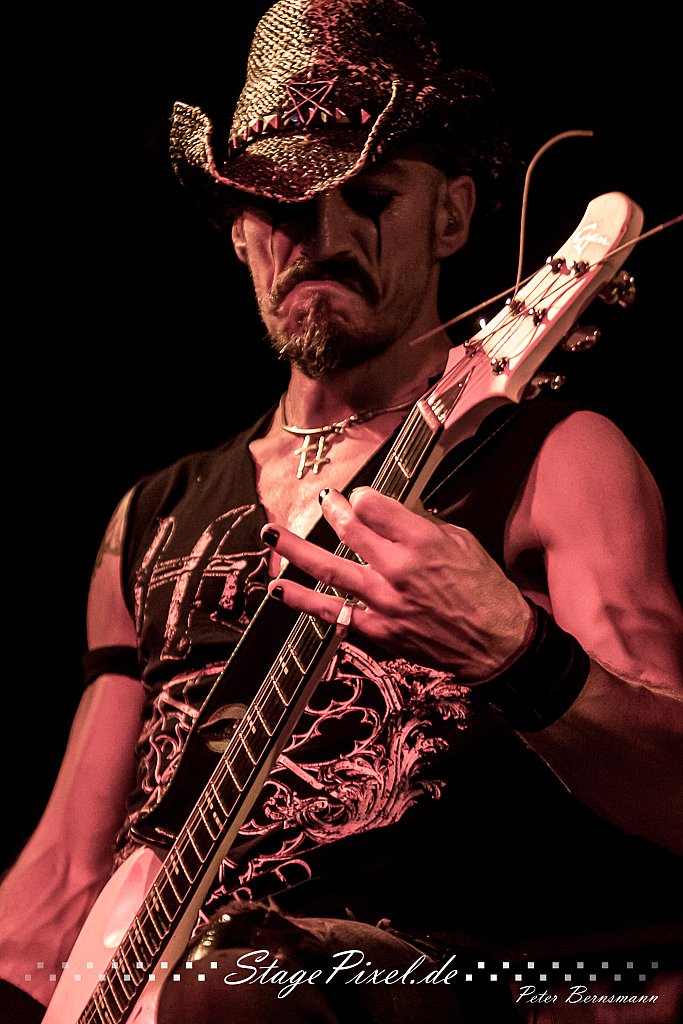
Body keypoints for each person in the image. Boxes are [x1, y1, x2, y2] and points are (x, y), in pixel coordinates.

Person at [1, 1, 681, 1021]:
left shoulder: (553, 457)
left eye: (367, 196)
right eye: (279, 207)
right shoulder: (152, 515)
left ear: (450, 216)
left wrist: (515, 653)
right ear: (238, 232)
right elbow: (61, 877)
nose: (318, 239)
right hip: (161, 985)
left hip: (437, 982)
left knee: (228, 986)